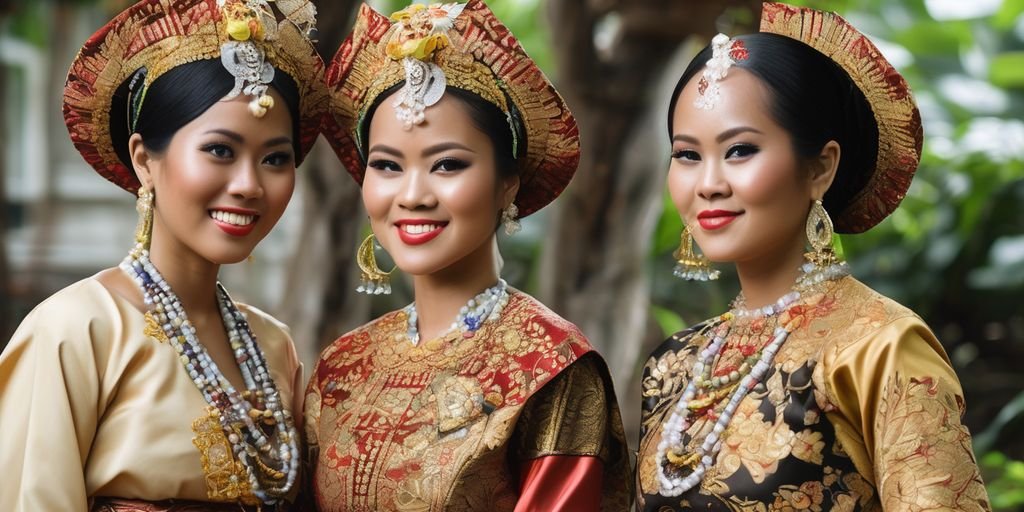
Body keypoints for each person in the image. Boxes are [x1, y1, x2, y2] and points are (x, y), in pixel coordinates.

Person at [636, 2, 990, 510]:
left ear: (821, 168)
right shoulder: (673, 364)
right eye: (687, 155)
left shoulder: (878, 348)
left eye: (739, 150)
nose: (709, 184)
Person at [305, 1, 632, 510]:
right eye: (387, 165)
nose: (412, 194)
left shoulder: (551, 365)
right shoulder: (341, 366)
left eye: (447, 164)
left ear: (508, 185)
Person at [0, 0, 325, 510]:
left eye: (275, 159)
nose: (248, 184)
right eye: (220, 150)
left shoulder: (273, 346)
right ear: (143, 158)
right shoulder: (77, 330)